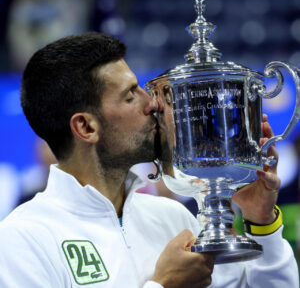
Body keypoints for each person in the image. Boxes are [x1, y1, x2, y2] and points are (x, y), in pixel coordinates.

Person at [0, 32, 298, 288]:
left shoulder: (174, 218)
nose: (152, 102)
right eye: (131, 96)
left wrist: (262, 223)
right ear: (86, 127)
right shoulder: (22, 239)